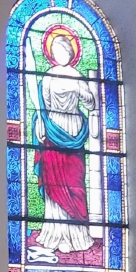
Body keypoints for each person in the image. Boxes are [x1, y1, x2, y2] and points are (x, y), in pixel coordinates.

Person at [33, 33, 97, 254]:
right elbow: (43, 107)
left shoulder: (77, 76)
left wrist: (80, 90)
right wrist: (41, 123)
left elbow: (91, 103)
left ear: (71, 53)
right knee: (54, 180)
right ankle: (56, 232)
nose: (61, 55)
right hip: (54, 127)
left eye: (65, 51)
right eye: (57, 51)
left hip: (74, 127)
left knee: (74, 180)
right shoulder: (48, 77)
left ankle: (76, 234)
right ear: (52, 54)